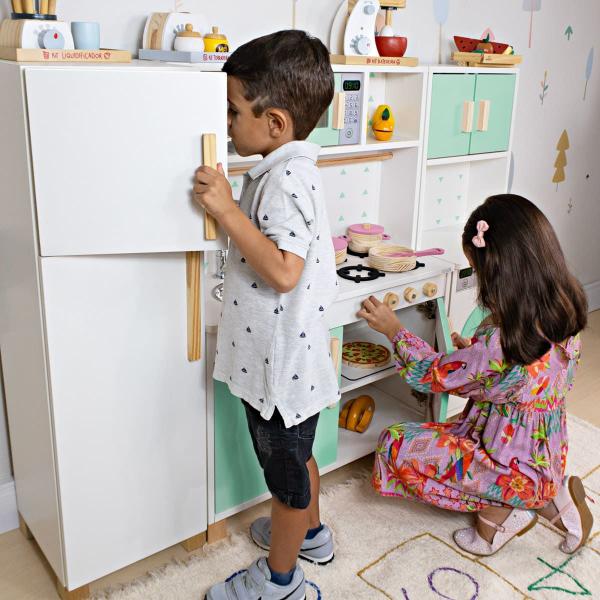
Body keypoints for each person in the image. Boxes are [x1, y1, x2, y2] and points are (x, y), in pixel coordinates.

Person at [358, 194, 593, 556]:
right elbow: (521, 379)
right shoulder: (562, 307)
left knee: (394, 443)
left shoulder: (499, 344)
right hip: (543, 452)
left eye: (477, 269)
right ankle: (551, 500)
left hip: (500, 456)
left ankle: (497, 517)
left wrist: (394, 331)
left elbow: (433, 374)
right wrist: (472, 351)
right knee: (444, 440)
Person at [194, 30, 339, 599]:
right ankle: (311, 535)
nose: (228, 123)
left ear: (275, 123)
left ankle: (281, 581)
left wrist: (228, 211)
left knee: (283, 480)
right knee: (298, 461)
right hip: (294, 365)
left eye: (233, 111)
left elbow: (283, 271)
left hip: (281, 370)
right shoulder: (288, 170)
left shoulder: (281, 181)